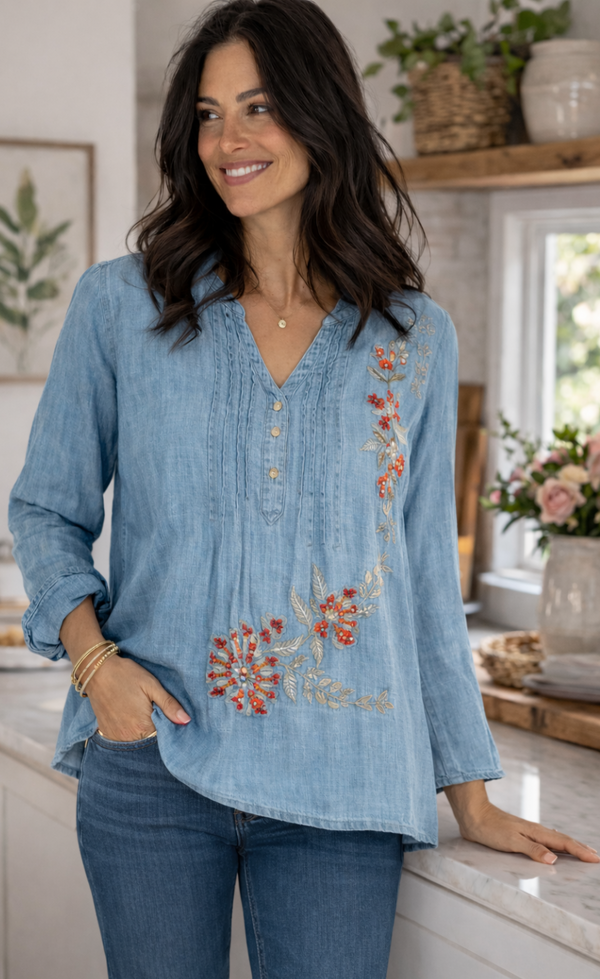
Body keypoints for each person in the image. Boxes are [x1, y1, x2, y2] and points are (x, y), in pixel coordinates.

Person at [9, 1, 599, 977]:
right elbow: (45, 506)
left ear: (321, 115)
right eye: (206, 113)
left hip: (345, 784)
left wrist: (472, 795)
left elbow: (416, 581)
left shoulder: (410, 336)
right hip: (155, 767)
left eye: (258, 106)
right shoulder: (122, 304)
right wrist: (94, 667)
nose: (226, 139)